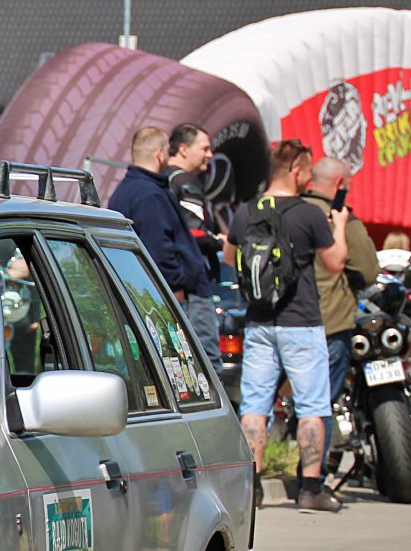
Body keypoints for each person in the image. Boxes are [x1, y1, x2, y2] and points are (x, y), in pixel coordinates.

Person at [224, 139, 349, 512]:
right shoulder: (308, 214)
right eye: (308, 171)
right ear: (296, 170)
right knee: (311, 404)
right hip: (302, 321)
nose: (310, 179)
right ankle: (310, 489)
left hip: (259, 320)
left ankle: (254, 488)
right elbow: (335, 263)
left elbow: (231, 257)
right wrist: (338, 226)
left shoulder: (246, 212)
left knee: (255, 405)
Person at [108, 126, 211, 358]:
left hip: (145, 296)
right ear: (159, 154)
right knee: (199, 365)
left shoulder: (125, 191)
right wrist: (175, 288)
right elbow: (159, 248)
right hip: (167, 300)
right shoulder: (150, 194)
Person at [301, 155, 379, 455]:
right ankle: (313, 478)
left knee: (266, 401)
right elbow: (367, 271)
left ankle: (260, 472)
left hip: (281, 321)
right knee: (320, 404)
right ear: (339, 184)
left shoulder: (289, 210)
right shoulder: (339, 217)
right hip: (330, 322)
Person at [165, 122, 225, 370]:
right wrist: (217, 241)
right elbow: (195, 232)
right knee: (207, 363)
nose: (210, 155)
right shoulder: (186, 182)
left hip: (167, 284)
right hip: (192, 288)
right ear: (183, 149)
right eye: (205, 148)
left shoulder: (160, 181)